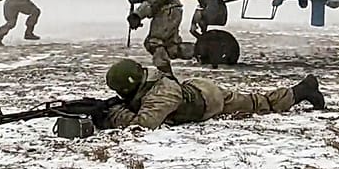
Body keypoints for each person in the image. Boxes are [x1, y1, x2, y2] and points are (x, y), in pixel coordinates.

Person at [101, 58, 325, 130]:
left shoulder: (161, 95)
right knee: (257, 101)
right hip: (200, 90)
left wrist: (113, 114)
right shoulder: (153, 84)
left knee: (259, 105)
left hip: (209, 102)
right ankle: (301, 90)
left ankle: (302, 91)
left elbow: (144, 124)